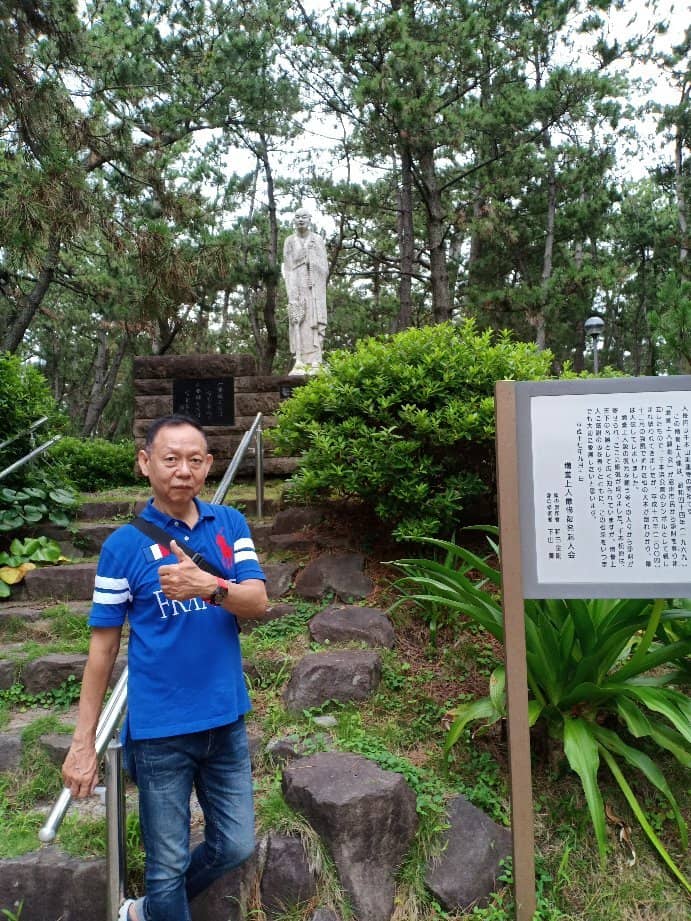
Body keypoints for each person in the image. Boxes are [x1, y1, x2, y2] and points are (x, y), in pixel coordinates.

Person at [62, 414, 268, 921]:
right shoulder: (122, 547)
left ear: (209, 465)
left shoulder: (230, 525)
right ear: (145, 463)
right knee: (167, 865)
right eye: (170, 459)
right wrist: (82, 742)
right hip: (160, 731)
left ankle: (146, 913)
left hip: (225, 719)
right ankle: (158, 906)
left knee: (236, 844)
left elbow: (259, 601)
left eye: (194, 460)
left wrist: (208, 587)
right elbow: (102, 651)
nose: (183, 471)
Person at [282, 207, 328, 375]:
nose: (300, 220)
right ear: (294, 220)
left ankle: (316, 359)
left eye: (304, 217)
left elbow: (324, 267)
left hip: (313, 289)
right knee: (298, 323)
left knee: (313, 322)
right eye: (297, 217)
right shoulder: (289, 241)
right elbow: (287, 268)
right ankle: (300, 359)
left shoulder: (317, 240)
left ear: (310, 220)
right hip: (296, 287)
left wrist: (314, 268)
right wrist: (292, 292)